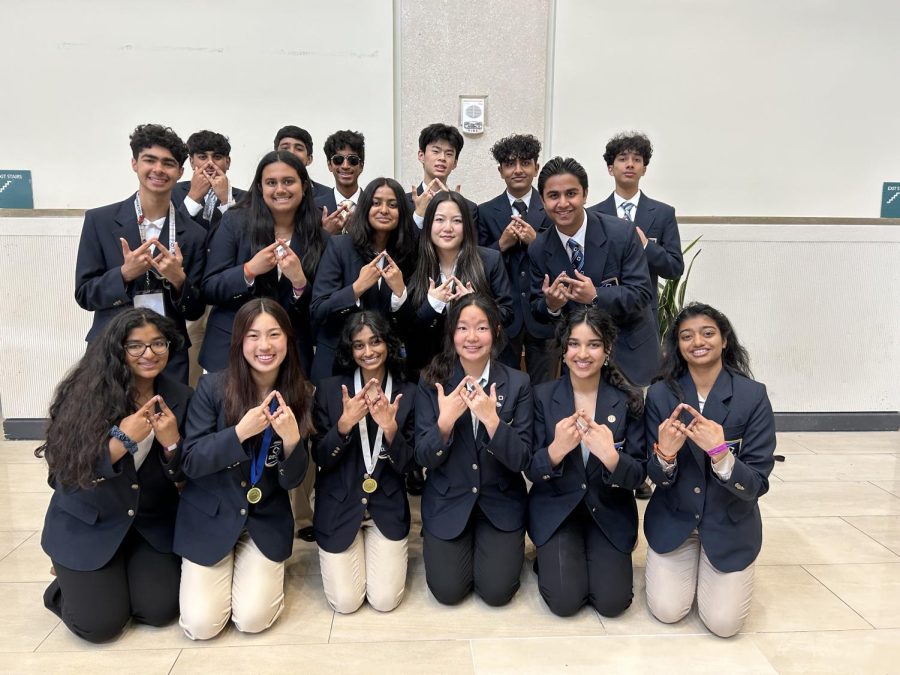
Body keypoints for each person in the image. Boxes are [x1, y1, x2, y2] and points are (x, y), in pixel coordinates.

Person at [37, 308, 191, 643]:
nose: (149, 354)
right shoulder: (85, 396)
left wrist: (172, 445)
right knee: (100, 627)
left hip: (147, 525)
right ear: (117, 350)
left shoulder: (180, 397)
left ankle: (114, 577)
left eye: (157, 344)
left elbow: (184, 474)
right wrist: (120, 442)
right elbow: (61, 475)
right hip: (89, 523)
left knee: (159, 611)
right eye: (135, 346)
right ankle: (64, 585)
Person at [176, 299, 314, 640]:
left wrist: (293, 442)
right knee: (201, 625)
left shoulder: (301, 394)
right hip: (211, 515)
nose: (264, 346)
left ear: (288, 339)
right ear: (239, 341)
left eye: (273, 334)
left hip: (264, 520)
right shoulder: (211, 388)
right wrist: (239, 432)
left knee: (252, 619)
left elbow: (292, 480)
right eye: (253, 336)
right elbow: (190, 461)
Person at [643, 302, 776, 638]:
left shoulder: (752, 396)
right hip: (676, 519)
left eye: (707, 333)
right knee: (668, 611)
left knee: (724, 624)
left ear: (724, 340)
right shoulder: (660, 395)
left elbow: (757, 483)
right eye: (686, 336)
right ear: (677, 345)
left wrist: (721, 454)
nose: (697, 341)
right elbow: (654, 477)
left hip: (729, 521)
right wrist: (665, 457)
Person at [527, 307, 645, 617]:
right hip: (558, 510)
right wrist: (556, 450)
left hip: (608, 509)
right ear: (563, 350)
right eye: (574, 344)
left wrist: (611, 456)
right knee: (565, 602)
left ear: (607, 350)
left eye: (593, 344)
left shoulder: (628, 399)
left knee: (612, 603)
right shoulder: (541, 396)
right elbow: (531, 467)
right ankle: (550, 554)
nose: (583, 353)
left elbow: (638, 475)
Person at [415, 294, 532, 606]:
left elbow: (522, 458)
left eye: (481, 328)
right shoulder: (432, 381)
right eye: (463, 328)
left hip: (500, 502)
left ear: (494, 331)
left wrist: (492, 421)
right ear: (452, 332)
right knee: (448, 592)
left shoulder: (518, 383)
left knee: (496, 593)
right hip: (448, 499)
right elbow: (423, 457)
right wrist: (444, 424)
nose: (471, 337)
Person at [74, 123, 207, 384]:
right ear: (134, 163)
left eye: (168, 163)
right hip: (111, 349)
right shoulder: (100, 221)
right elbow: (85, 294)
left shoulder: (194, 234)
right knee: (106, 423)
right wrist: (124, 275)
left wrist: (179, 281)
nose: (158, 169)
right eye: (150, 160)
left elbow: (195, 310)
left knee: (167, 422)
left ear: (180, 172)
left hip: (168, 353)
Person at [312, 312, 416, 613]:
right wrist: (343, 426)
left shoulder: (408, 392)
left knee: (384, 601)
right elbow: (319, 457)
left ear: (388, 344)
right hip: (339, 504)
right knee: (345, 603)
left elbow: (410, 465)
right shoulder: (331, 390)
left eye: (375, 342)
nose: (368, 352)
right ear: (349, 350)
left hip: (386, 504)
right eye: (359, 345)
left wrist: (390, 429)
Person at [528, 156, 658, 387]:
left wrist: (596, 295)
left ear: (585, 194)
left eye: (571, 193)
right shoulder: (539, 247)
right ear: (543, 200)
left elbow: (641, 294)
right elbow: (537, 306)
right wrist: (552, 306)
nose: (563, 203)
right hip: (580, 362)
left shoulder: (622, 233)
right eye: (553, 196)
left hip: (629, 353)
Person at [200, 150, 327, 376]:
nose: (280, 190)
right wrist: (248, 271)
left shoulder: (320, 238)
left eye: (288, 181)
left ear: (304, 186)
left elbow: (321, 310)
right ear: (260, 187)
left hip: (290, 359)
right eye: (271, 182)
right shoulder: (235, 222)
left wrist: (299, 282)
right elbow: (209, 288)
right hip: (229, 352)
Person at [310, 177, 418, 382]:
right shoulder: (339, 247)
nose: (384, 210)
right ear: (365, 207)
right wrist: (356, 289)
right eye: (376, 203)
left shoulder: (410, 254)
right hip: (336, 365)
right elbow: (318, 311)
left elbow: (412, 325)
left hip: (388, 368)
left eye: (393, 205)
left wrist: (401, 294)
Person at [406, 191, 514, 376]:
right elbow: (407, 327)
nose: (447, 228)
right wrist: (431, 306)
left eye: (456, 221)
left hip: (481, 365)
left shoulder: (489, 260)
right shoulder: (414, 262)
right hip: (429, 369)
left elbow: (508, 313)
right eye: (439, 220)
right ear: (429, 224)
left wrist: (476, 305)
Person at [478, 133, 557, 384]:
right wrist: (501, 245)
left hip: (543, 317)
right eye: (510, 164)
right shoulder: (485, 211)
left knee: (545, 391)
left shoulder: (553, 209)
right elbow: (476, 265)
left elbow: (564, 260)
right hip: (504, 318)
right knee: (505, 390)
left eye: (525, 163)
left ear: (536, 167)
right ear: (501, 170)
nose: (518, 170)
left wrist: (537, 243)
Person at [588, 132, 684, 330]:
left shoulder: (663, 213)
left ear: (644, 169)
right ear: (610, 168)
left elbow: (674, 269)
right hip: (601, 315)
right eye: (622, 159)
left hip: (644, 316)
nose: (630, 164)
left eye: (637, 160)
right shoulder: (592, 215)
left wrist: (647, 246)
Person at [406, 123, 479, 231]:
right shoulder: (402, 203)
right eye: (435, 151)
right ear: (421, 156)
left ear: (454, 163)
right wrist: (418, 216)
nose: (442, 158)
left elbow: (470, 247)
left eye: (449, 154)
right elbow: (400, 246)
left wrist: (456, 210)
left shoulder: (468, 208)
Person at [171, 129, 247, 233]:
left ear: (228, 162)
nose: (210, 163)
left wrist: (227, 200)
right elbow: (170, 232)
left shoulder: (247, 198)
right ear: (192, 162)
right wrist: (193, 198)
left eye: (217, 157)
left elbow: (245, 237)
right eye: (203, 157)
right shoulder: (172, 192)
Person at [315, 129, 366, 234]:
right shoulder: (313, 207)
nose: (345, 166)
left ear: (361, 166)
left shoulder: (373, 206)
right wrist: (325, 234)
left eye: (353, 160)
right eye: (338, 160)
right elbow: (307, 249)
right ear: (329, 165)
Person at [273, 124, 331, 201]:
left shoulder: (328, 195)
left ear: (309, 159)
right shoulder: (262, 192)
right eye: (285, 148)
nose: (291, 153)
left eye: (299, 149)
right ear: (274, 156)